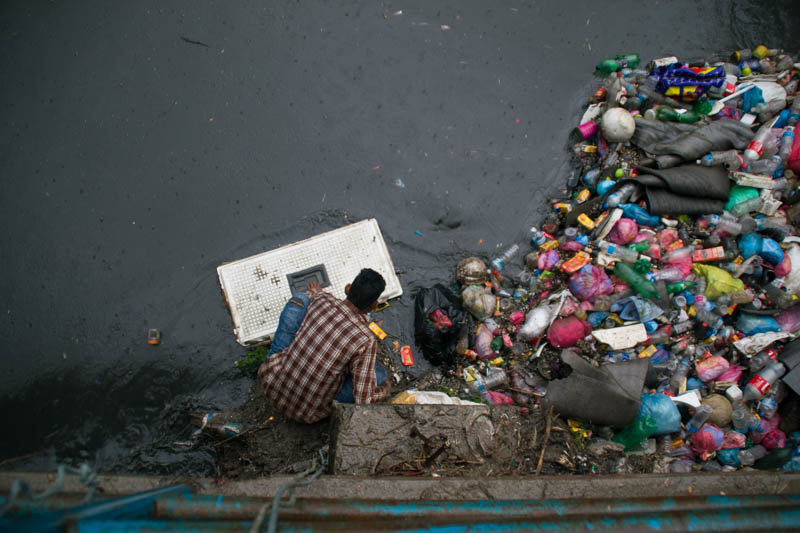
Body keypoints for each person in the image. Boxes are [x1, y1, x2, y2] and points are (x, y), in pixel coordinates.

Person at [258, 268, 391, 423]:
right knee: (380, 374)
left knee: (300, 299)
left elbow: (315, 293)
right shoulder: (366, 340)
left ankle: (276, 360)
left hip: (270, 382)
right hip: (306, 413)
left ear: (347, 288)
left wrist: (316, 291)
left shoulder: (323, 301)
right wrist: (384, 391)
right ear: (374, 305)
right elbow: (365, 401)